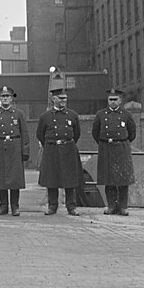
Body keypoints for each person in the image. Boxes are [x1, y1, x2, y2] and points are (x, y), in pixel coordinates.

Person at [37, 88, 84, 216]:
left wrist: (67, 143)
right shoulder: (45, 116)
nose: (64, 101)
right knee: (52, 179)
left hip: (68, 150)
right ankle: (52, 206)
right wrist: (52, 143)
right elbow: (40, 134)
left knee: (70, 180)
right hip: (52, 150)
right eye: (61, 98)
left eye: (65, 98)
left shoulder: (72, 115)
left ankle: (71, 207)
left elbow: (77, 134)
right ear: (54, 99)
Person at [92, 88, 137, 216]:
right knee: (109, 179)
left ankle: (123, 207)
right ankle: (111, 206)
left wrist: (122, 142)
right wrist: (104, 142)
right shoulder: (101, 114)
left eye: (115, 100)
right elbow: (96, 132)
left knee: (123, 179)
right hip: (106, 148)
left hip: (122, 148)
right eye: (110, 100)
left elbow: (132, 133)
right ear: (107, 101)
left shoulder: (126, 115)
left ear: (120, 100)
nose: (112, 102)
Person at [0, 86, 29, 216]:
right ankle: (3, 206)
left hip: (15, 148)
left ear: (11, 98)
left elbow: (25, 133)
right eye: (3, 96)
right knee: (1, 180)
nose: (5, 99)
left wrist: (25, 151)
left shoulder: (18, 114)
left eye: (7, 96)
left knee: (15, 179)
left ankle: (15, 206)